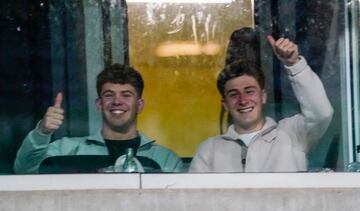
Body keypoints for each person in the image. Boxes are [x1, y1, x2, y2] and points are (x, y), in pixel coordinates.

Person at [189, 35, 333, 172]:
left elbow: (322, 113)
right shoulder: (209, 150)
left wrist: (294, 64)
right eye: (233, 94)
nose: (243, 100)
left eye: (249, 91)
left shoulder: (292, 133)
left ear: (263, 96)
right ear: (225, 104)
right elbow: (192, 197)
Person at [14, 64, 183, 173]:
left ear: (140, 105)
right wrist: (42, 132)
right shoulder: (66, 149)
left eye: (126, 95)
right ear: (99, 104)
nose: (117, 102)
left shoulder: (164, 159)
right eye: (109, 95)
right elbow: (24, 171)